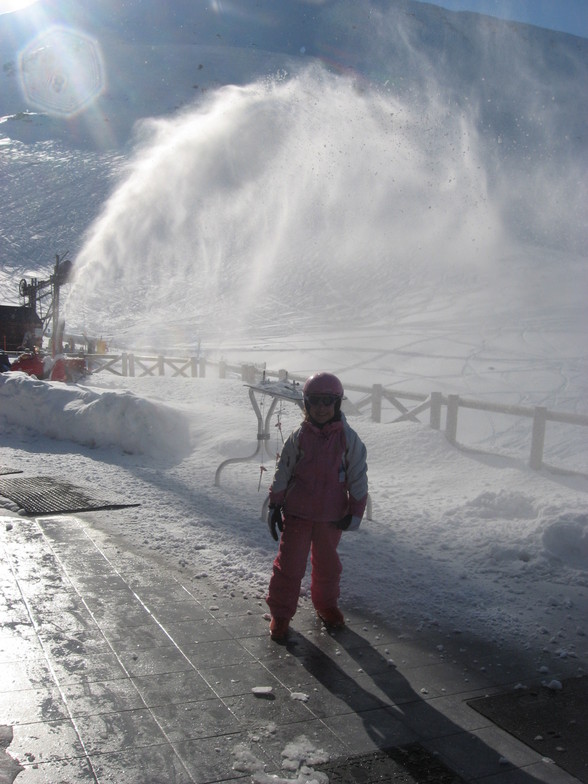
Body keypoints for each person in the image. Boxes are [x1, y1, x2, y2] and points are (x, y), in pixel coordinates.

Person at [266, 371, 368, 642]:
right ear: (306, 404)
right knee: (289, 565)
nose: (321, 408)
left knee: (328, 565)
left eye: (327, 401)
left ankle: (326, 604)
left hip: (331, 516)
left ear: (337, 403)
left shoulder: (348, 439)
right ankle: (282, 612)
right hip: (298, 513)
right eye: (315, 401)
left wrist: (355, 510)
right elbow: (283, 471)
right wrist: (275, 504)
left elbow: (358, 475)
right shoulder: (298, 437)